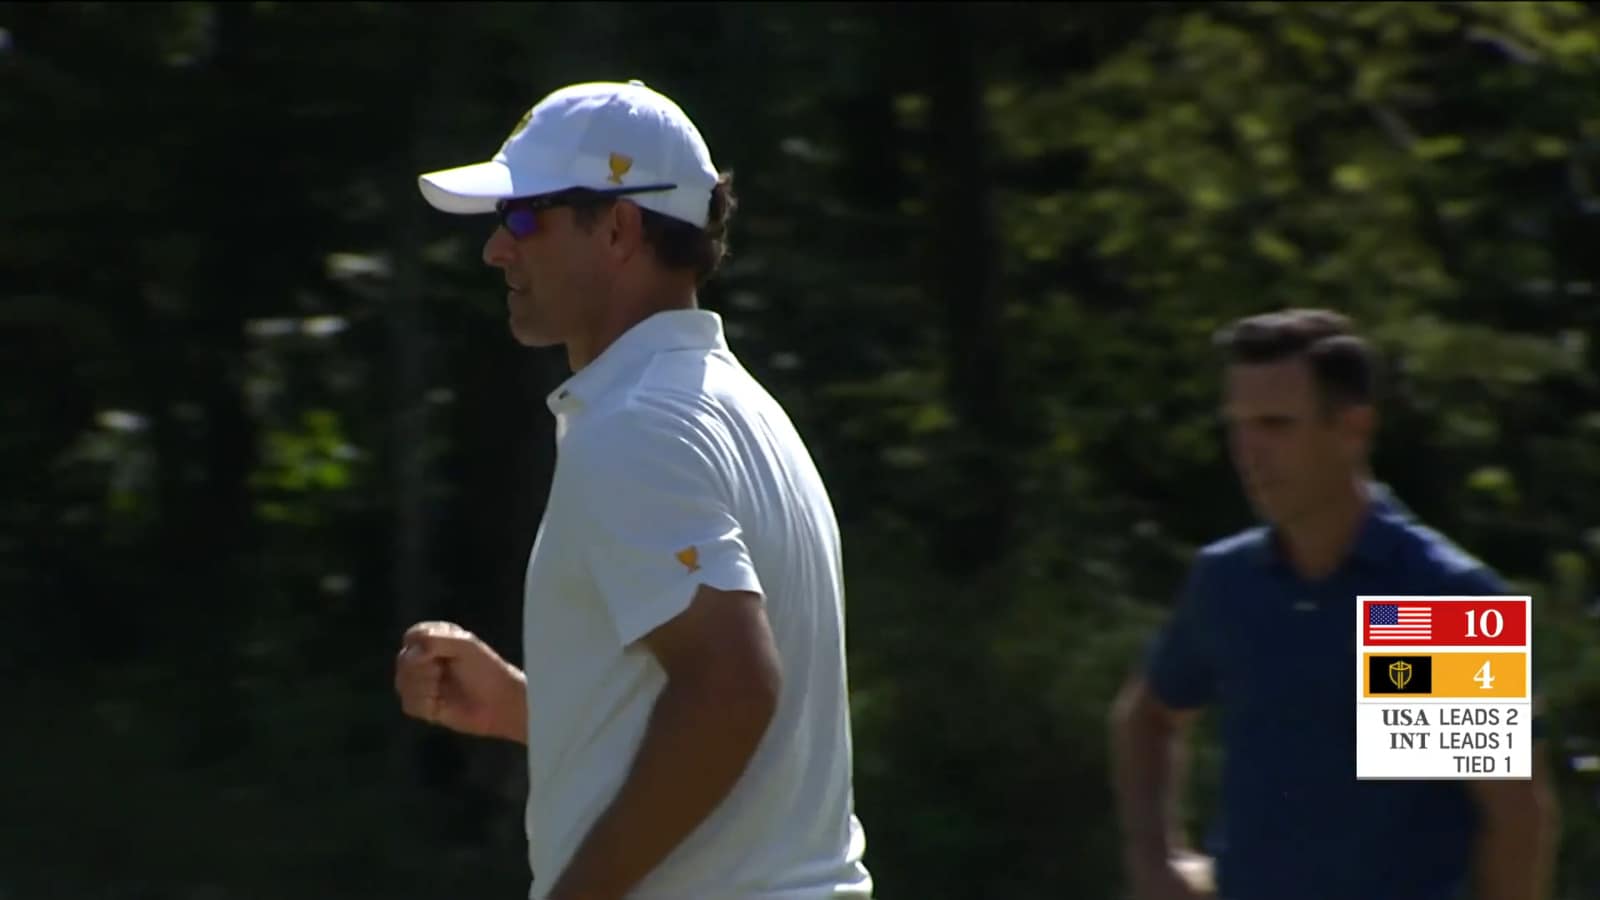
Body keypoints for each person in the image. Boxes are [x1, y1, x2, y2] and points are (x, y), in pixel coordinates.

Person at [392, 79, 874, 900]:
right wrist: (529, 711)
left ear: (618, 228)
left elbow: (731, 690)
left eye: (523, 218)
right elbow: (738, 715)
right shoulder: (739, 408)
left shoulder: (638, 425)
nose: (497, 249)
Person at [1109, 309, 1560, 900]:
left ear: (1352, 429)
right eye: (1238, 426)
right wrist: (1157, 860)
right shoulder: (1230, 582)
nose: (1249, 452)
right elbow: (1149, 716)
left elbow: (1513, 818)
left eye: (1276, 425)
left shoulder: (1427, 597)